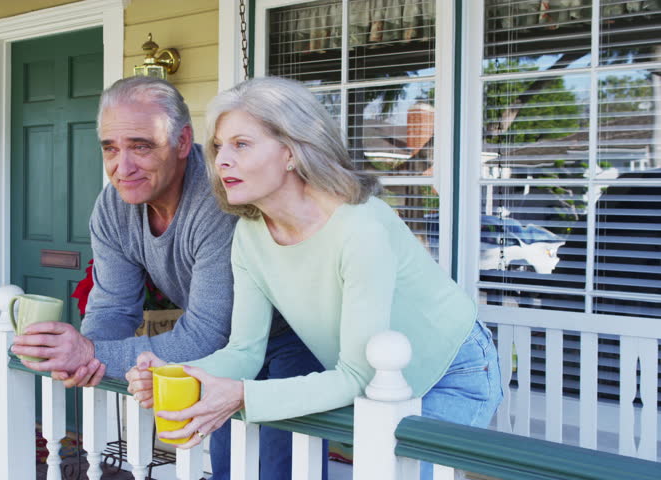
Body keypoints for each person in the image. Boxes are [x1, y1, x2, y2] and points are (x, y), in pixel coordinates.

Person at [125, 77, 503, 477]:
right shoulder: (250, 235)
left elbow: (358, 375)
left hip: (452, 371)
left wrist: (240, 396)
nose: (220, 161)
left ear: (291, 152)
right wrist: (183, 372)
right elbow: (244, 352)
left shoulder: (360, 227)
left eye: (241, 144)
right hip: (376, 382)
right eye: (219, 146)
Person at [10, 76, 326, 480]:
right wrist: (89, 350)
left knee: (284, 467)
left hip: (294, 335)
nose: (121, 168)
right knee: (230, 465)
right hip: (230, 351)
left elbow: (207, 334)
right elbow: (111, 307)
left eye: (141, 146)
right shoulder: (113, 206)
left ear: (182, 142)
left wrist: (91, 353)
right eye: (110, 148)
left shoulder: (221, 198)